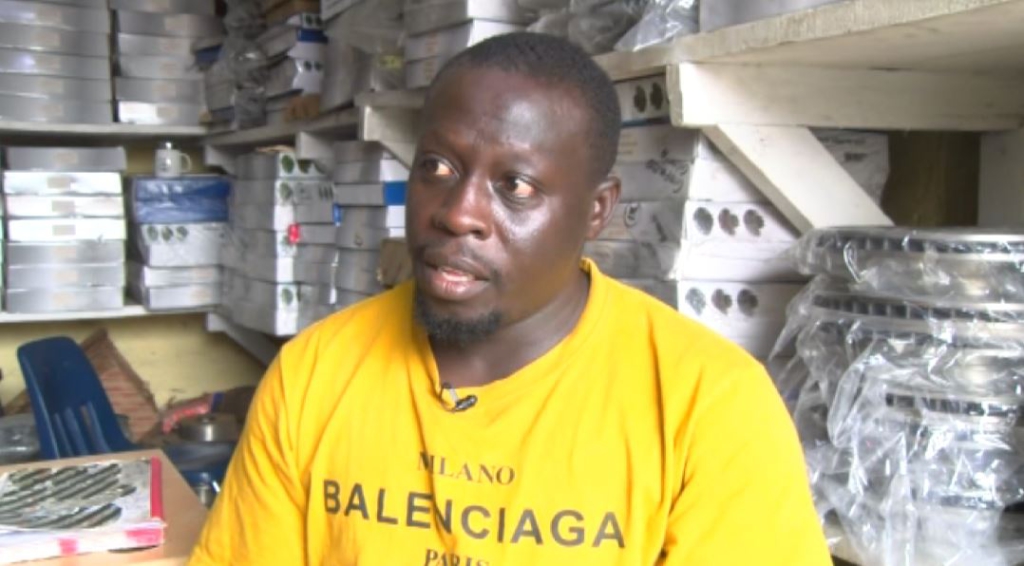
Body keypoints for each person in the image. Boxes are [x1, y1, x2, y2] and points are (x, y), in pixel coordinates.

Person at [189, 32, 830, 566]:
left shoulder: (710, 406)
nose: (458, 212)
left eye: (516, 186)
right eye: (437, 167)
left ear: (596, 209)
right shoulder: (314, 374)